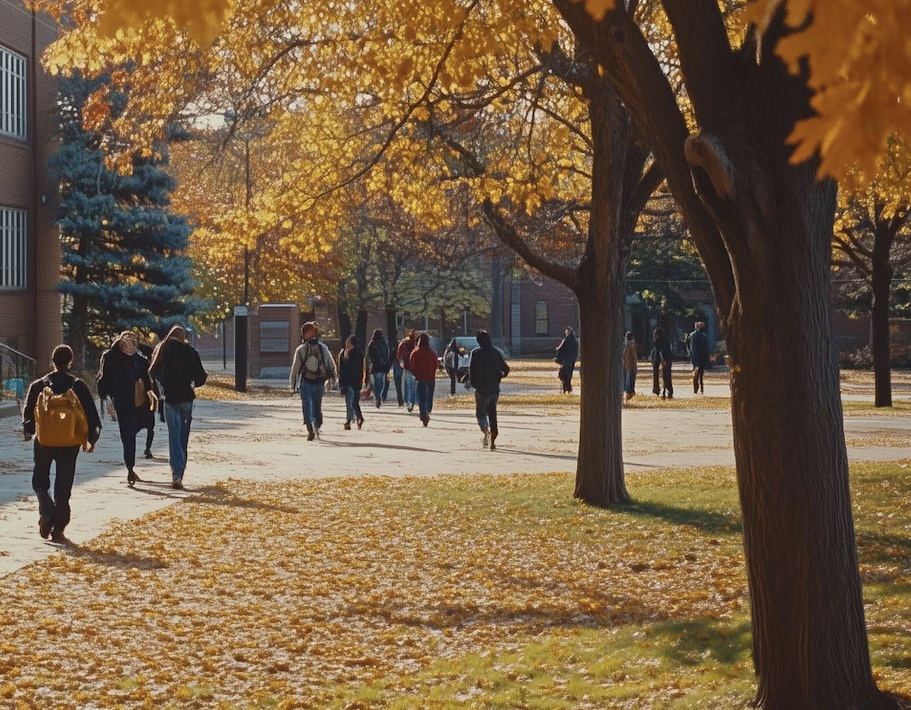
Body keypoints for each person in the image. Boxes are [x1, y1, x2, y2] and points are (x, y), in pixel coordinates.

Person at [21, 345, 101, 544]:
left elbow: (29, 415)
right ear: (70, 362)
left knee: (39, 481)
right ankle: (59, 527)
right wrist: (92, 437)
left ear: (52, 361)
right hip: (70, 442)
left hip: (44, 442)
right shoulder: (77, 385)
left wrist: (29, 431)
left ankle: (46, 511)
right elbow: (92, 415)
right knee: (64, 484)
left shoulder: (38, 385)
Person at [149, 325, 207, 489]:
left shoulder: (162, 350)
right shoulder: (190, 352)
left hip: (170, 399)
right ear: (183, 337)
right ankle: (180, 472)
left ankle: (176, 472)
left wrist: (163, 383)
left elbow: (153, 371)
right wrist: (192, 383)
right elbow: (201, 377)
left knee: (173, 436)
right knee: (183, 437)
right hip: (186, 398)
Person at [97, 331, 158, 486]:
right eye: (128, 342)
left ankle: (134, 462)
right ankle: (130, 468)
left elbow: (147, 380)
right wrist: (107, 401)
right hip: (122, 403)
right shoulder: (110, 357)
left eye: (134, 342)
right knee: (128, 437)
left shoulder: (140, 359)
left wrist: (153, 396)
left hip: (139, 403)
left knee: (142, 428)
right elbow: (103, 381)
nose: (131, 345)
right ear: (121, 342)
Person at [289, 321, 336, 441]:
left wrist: (292, 384)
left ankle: (309, 426)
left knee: (307, 405)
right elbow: (330, 364)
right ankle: (316, 424)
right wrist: (333, 378)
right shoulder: (322, 347)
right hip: (319, 382)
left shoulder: (301, 349)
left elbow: (295, 368)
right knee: (316, 405)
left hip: (305, 382)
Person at [468, 330, 510, 450]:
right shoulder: (496, 352)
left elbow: (472, 371)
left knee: (480, 412)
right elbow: (506, 369)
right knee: (492, 413)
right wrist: (499, 376)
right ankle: (493, 439)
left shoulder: (476, 353)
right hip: (494, 387)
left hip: (481, 388)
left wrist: (474, 384)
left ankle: (485, 429)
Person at [409, 332, 438, 426]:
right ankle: (428, 411)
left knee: (422, 398)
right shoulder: (432, 354)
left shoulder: (415, 353)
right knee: (429, 397)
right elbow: (435, 365)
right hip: (430, 378)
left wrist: (416, 374)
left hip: (420, 378)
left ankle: (423, 414)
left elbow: (412, 366)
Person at [338, 335, 366, 430]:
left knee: (351, 402)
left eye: (349, 342)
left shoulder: (346, 354)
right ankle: (356, 418)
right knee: (353, 402)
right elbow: (362, 369)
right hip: (354, 381)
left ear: (352, 344)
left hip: (350, 381)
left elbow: (342, 370)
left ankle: (351, 420)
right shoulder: (358, 354)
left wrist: (341, 382)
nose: (347, 344)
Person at [366, 329, 391, 408]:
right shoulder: (384, 343)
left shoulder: (372, 343)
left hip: (376, 366)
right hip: (382, 366)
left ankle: (377, 397)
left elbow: (370, 355)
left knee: (377, 382)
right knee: (381, 383)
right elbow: (387, 353)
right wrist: (385, 361)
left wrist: (372, 361)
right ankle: (379, 396)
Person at [396, 329, 417, 412]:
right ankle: (412, 401)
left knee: (408, 385)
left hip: (407, 366)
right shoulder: (417, 343)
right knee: (414, 386)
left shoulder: (403, 343)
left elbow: (399, 354)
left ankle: (408, 402)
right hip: (415, 368)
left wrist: (401, 361)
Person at [650, 327, 673, 399]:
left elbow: (662, 351)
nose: (654, 336)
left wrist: (663, 359)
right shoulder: (657, 341)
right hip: (658, 359)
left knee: (666, 376)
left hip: (664, 359)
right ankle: (657, 389)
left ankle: (667, 389)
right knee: (657, 375)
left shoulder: (663, 341)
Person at [689, 321, 711, 394]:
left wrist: (693, 358)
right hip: (702, 357)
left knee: (696, 374)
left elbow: (692, 348)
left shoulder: (693, 335)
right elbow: (706, 348)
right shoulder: (704, 335)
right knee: (700, 374)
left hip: (696, 358)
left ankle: (696, 388)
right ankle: (701, 388)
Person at [555, 327, 579, 393]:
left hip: (566, 359)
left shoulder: (566, 340)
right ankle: (568, 388)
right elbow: (576, 351)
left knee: (564, 375)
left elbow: (560, 349)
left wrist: (558, 357)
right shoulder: (575, 340)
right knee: (569, 374)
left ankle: (565, 389)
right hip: (572, 360)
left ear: (568, 332)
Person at [623, 331, 638, 402]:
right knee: (629, 378)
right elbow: (627, 356)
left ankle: (631, 391)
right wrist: (627, 365)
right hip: (629, 365)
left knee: (631, 378)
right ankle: (628, 392)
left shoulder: (631, 345)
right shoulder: (628, 345)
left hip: (632, 365)